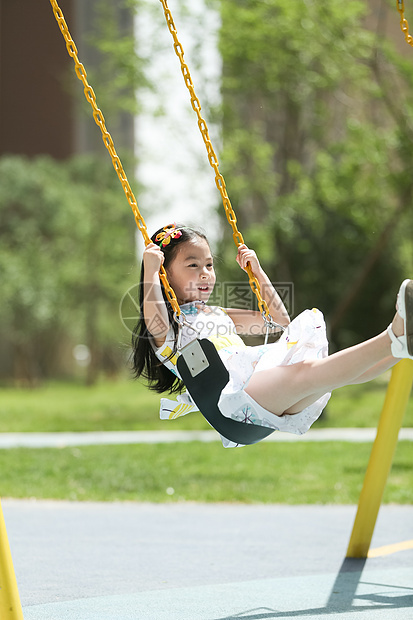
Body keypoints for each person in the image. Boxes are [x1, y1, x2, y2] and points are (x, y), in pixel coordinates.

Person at [132, 223, 413, 447]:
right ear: (164, 276)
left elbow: (279, 322)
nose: (206, 273)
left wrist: (258, 272)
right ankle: (394, 335)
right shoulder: (169, 329)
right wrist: (150, 272)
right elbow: (154, 315)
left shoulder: (217, 314)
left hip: (259, 393)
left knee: (330, 377)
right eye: (193, 265)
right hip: (233, 403)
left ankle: (399, 345)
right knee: (309, 373)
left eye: (209, 264)